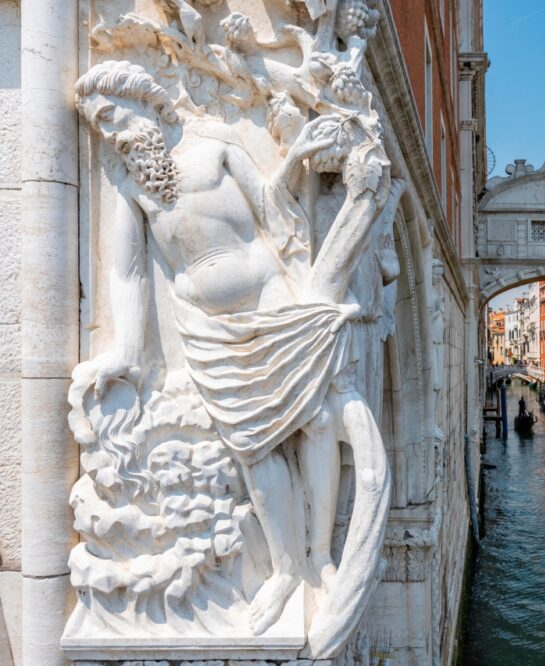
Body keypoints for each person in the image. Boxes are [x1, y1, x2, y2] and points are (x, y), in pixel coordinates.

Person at [75, 59, 391, 637]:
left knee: (315, 419)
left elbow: (273, 210)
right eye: (100, 126)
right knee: (251, 445)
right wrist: (125, 348)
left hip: (269, 297)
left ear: (146, 101)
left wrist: (295, 160)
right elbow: (127, 274)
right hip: (204, 326)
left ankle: (320, 553)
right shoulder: (129, 182)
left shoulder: (215, 147)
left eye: (113, 115)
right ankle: (285, 569)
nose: (111, 131)